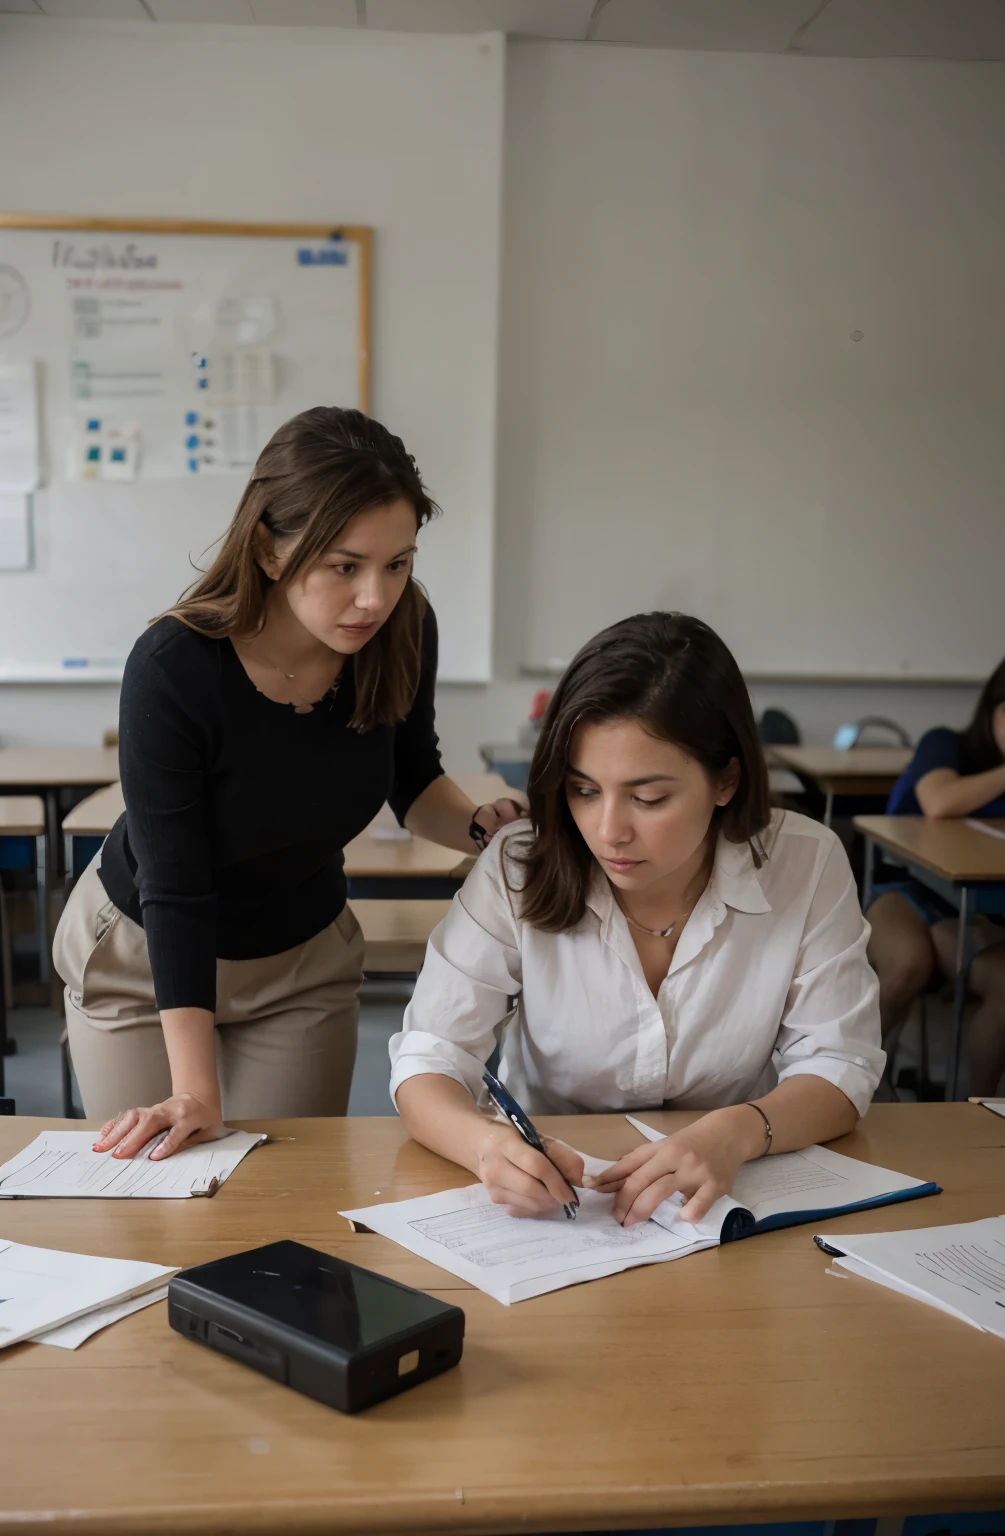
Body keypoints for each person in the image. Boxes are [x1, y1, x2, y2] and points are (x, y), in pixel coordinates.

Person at [53, 407, 523, 1161]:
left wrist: (479, 826)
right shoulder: (175, 665)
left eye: (397, 563)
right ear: (269, 548)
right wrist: (195, 1091)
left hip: (301, 960)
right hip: (149, 959)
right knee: (158, 1201)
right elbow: (175, 884)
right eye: (345, 566)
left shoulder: (402, 629)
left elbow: (412, 779)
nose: (376, 597)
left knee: (283, 1209)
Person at [390, 613, 883, 1227]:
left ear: (726, 778)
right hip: (564, 1207)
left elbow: (841, 1064)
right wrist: (489, 1148)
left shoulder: (804, 863)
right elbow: (430, 1056)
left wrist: (735, 1133)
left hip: (731, 1194)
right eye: (584, 790)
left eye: (649, 798)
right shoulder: (520, 865)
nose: (607, 831)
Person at [867, 649, 1005, 1096]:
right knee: (907, 962)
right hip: (904, 891)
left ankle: (982, 1109)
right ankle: (847, 1082)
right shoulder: (946, 743)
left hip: (973, 911)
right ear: (989, 710)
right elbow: (939, 802)